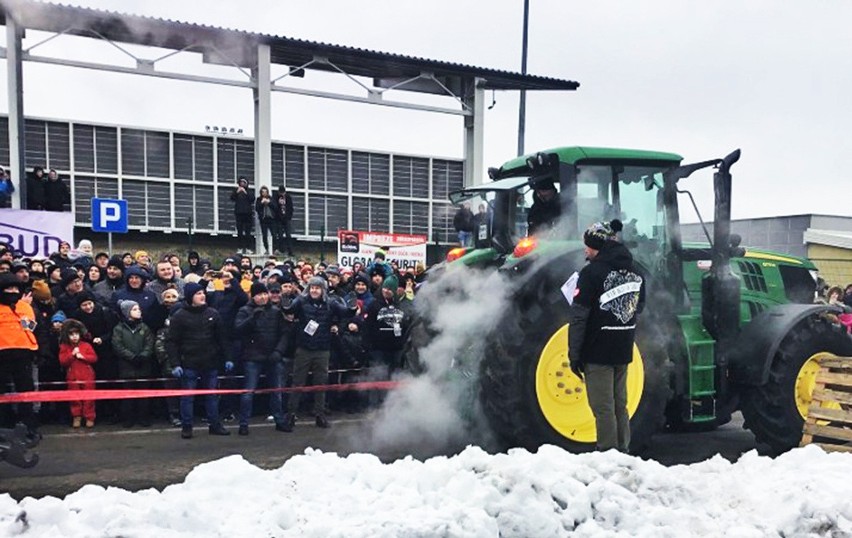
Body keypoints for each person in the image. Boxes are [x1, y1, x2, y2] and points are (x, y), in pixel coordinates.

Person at [567, 219, 644, 452]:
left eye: (588, 246)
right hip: (623, 346)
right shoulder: (635, 271)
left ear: (596, 247)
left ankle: (608, 454)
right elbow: (639, 307)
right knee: (620, 404)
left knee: (602, 407)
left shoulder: (591, 273)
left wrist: (574, 355)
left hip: (597, 350)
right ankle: (624, 450)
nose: (585, 250)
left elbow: (579, 318)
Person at [281, 277, 351, 430]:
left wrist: (352, 307)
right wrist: (285, 299)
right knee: (297, 382)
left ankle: (320, 414)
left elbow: (345, 312)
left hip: (322, 349)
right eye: (312, 287)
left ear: (323, 290)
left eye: (317, 288)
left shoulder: (331, 303)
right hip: (304, 348)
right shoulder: (301, 301)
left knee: (320, 383)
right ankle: (291, 414)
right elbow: (288, 309)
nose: (314, 290)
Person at [165, 281, 233, 438]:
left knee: (212, 395)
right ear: (190, 297)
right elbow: (171, 342)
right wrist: (175, 363)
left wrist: (228, 358)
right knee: (188, 397)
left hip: (211, 362)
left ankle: (214, 424)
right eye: (198, 294)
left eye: (203, 293)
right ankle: (187, 426)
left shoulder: (213, 314)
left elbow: (222, 338)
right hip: (189, 362)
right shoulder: (180, 316)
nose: (202, 296)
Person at [233, 282, 293, 435]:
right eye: (259, 294)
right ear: (253, 296)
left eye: (264, 294)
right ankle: (244, 423)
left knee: (277, 390)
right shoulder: (245, 311)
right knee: (249, 391)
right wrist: (252, 319)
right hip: (252, 357)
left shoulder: (275, 311)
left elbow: (285, 333)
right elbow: (237, 331)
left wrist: (278, 352)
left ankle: (279, 420)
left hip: (273, 356)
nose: (263, 297)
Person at [0, 273, 41, 442]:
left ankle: (29, 427)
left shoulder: (25, 307)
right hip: (1, 354)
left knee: (26, 394)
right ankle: (3, 428)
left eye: (16, 288)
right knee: (2, 394)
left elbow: (30, 328)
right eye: (9, 288)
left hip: (24, 353)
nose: (13, 291)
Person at [112, 300, 155, 428]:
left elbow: (149, 343)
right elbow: (117, 346)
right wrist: (132, 357)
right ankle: (128, 418)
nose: (139, 311)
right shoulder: (119, 329)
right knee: (128, 394)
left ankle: (143, 417)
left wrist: (143, 356)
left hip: (143, 366)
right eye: (135, 309)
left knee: (144, 395)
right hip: (126, 367)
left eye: (138, 309)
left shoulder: (144, 327)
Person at [57, 319, 98, 428]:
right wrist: (71, 355)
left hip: (87, 375)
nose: (74, 336)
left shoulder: (86, 345)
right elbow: (63, 361)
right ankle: (77, 417)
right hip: (72, 376)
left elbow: (94, 358)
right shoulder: (64, 347)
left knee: (89, 397)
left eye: (76, 334)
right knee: (75, 398)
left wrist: (83, 357)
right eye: (71, 335)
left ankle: (89, 417)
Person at [231, 177, 255, 254]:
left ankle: (248, 247)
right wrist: (237, 192)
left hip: (248, 214)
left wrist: (245, 192)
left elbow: (252, 199)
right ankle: (240, 247)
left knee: (248, 232)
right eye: (241, 182)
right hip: (239, 213)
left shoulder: (249, 192)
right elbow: (232, 198)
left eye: (244, 182)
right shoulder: (236, 191)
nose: (242, 184)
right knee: (240, 231)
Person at [255, 186, 277, 256]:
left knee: (274, 234)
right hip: (263, 219)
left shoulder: (271, 199)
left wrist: (269, 203)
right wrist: (262, 203)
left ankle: (275, 249)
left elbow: (275, 207)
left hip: (272, 219)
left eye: (265, 192)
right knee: (264, 235)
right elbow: (257, 209)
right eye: (263, 192)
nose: (264, 193)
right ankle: (266, 249)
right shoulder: (259, 199)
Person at [275, 185, 295, 256]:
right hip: (279, 219)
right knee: (280, 235)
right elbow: (275, 208)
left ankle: (290, 251)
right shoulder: (276, 197)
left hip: (286, 219)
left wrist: (288, 217)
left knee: (288, 235)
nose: (282, 194)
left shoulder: (288, 197)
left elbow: (291, 208)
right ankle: (281, 250)